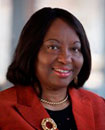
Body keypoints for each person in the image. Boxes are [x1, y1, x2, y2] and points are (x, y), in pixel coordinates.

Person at [0, 7, 105, 130]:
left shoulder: (99, 106)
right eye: (53, 47)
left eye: (75, 49)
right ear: (31, 51)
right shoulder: (3, 108)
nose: (65, 59)